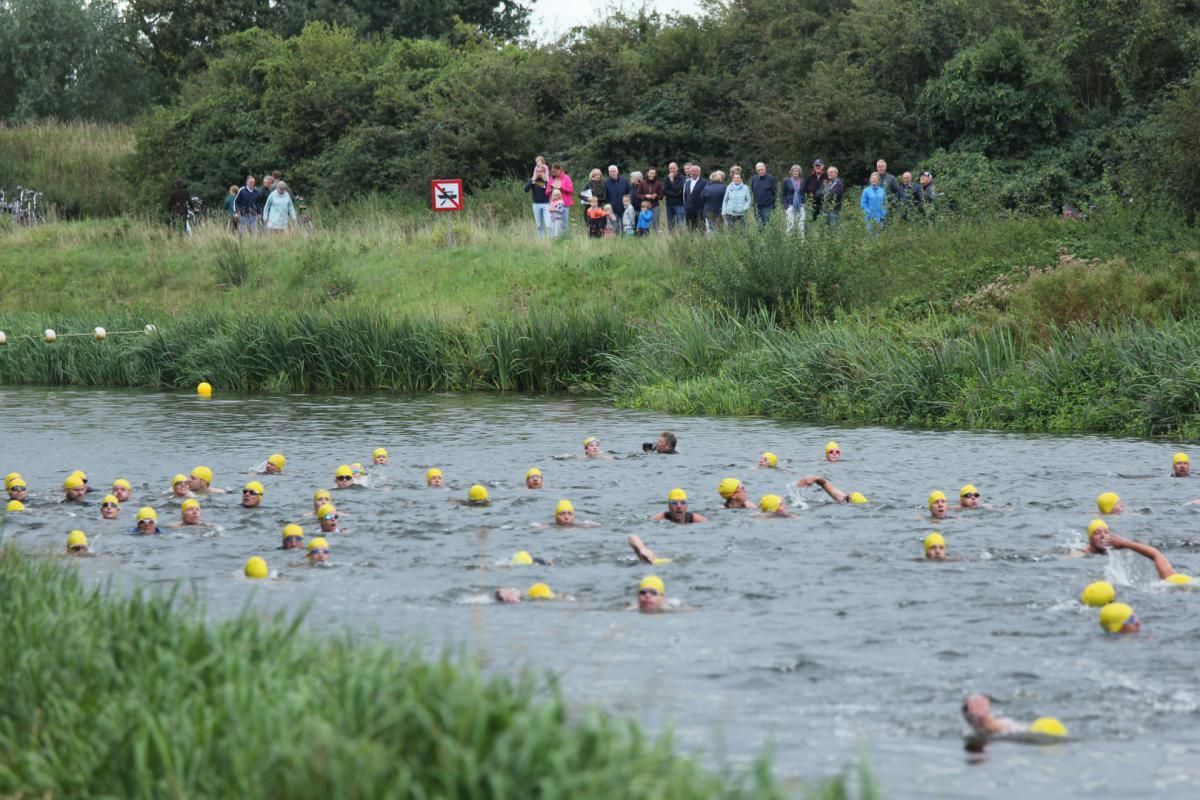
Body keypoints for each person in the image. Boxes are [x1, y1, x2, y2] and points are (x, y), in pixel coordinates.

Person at [1088, 523, 1188, 580]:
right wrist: (1125, 543)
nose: (1103, 536)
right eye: (1097, 533)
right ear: (1089, 539)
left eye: (1106, 532)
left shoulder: (1168, 581)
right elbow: (1156, 554)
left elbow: (1156, 554)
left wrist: (1125, 543)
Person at [795, 475, 868, 504]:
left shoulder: (843, 501)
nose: (843, 497)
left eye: (847, 498)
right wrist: (814, 478)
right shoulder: (843, 499)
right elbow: (825, 484)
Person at [525, 162, 551, 238]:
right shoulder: (533, 180)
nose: (539, 173)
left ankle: (549, 240)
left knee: (548, 224)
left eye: (541, 172)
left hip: (546, 204)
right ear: (535, 172)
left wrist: (545, 180)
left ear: (543, 172)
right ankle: (540, 240)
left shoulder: (547, 180)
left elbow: (550, 190)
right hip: (536, 204)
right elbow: (525, 189)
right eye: (538, 171)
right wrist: (532, 179)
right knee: (539, 225)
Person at [603, 166, 631, 230]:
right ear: (609, 173)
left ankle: (624, 238)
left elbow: (629, 192)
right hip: (613, 209)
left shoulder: (624, 181)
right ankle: (616, 239)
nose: (613, 173)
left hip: (624, 207)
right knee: (615, 226)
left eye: (614, 171)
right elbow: (605, 196)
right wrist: (609, 205)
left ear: (617, 172)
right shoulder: (606, 183)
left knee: (625, 225)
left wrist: (627, 203)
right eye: (611, 172)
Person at [547, 164, 573, 231]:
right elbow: (546, 192)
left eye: (555, 172)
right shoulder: (551, 179)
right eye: (553, 172)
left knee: (564, 223)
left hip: (564, 204)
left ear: (560, 170)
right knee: (553, 223)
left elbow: (570, 190)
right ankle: (555, 238)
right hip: (553, 204)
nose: (554, 174)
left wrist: (561, 188)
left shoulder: (566, 178)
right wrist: (551, 190)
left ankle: (565, 239)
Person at [781, 164, 806, 235]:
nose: (795, 173)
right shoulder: (787, 181)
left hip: (800, 205)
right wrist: (786, 206)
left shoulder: (802, 181)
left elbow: (804, 193)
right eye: (794, 171)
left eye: (797, 171)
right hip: (790, 205)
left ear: (799, 172)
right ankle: (789, 243)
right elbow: (783, 194)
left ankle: (801, 243)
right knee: (790, 225)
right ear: (791, 172)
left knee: (801, 225)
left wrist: (804, 203)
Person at [750, 162, 777, 226]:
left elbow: (775, 193)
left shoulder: (771, 179)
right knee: (759, 225)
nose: (760, 171)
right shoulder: (754, 179)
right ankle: (760, 236)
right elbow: (753, 190)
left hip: (767, 207)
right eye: (758, 170)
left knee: (766, 225)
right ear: (756, 170)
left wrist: (773, 205)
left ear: (765, 169)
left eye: (762, 169)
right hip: (757, 206)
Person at [683, 164, 708, 231]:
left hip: (699, 211)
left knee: (701, 230)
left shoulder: (704, 182)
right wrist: (685, 207)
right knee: (690, 230)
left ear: (699, 172)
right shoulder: (687, 183)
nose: (693, 173)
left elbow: (705, 196)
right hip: (688, 211)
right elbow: (685, 196)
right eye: (691, 171)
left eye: (694, 171)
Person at [663, 162, 686, 230]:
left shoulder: (682, 178)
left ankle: (682, 238)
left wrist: (672, 180)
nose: (672, 170)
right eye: (670, 168)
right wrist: (676, 194)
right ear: (669, 169)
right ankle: (671, 239)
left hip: (679, 204)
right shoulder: (666, 178)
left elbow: (680, 191)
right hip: (669, 204)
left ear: (677, 168)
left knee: (680, 224)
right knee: (670, 224)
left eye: (674, 168)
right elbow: (664, 191)